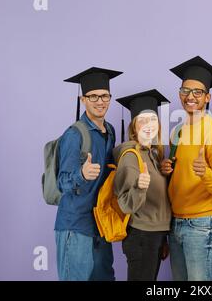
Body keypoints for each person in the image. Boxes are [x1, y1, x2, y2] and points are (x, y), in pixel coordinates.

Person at [160, 56, 212, 281]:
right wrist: (166, 169)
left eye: (197, 92)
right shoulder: (178, 132)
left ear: (207, 97)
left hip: (202, 225)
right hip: (176, 222)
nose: (190, 96)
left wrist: (206, 173)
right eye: (185, 90)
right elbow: (177, 175)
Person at [55, 67, 122, 281]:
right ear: (83, 99)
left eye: (104, 96)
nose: (100, 101)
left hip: (101, 225)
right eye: (93, 96)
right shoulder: (75, 134)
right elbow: (61, 182)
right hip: (76, 227)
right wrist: (82, 174)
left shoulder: (110, 131)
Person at [113, 89, 171, 281]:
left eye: (153, 119)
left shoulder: (153, 154)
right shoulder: (131, 156)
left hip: (156, 235)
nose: (149, 125)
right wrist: (139, 187)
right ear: (133, 127)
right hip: (141, 236)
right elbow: (125, 203)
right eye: (142, 120)